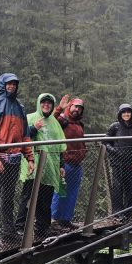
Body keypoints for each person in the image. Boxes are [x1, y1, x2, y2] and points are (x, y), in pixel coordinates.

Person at [0, 73, 34, 247]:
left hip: (15, 159)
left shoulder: (20, 107)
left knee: (9, 197)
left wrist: (30, 158)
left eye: (14, 84)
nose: (12, 87)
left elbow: (25, 135)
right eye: (9, 84)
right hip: (0, 159)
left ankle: (8, 233)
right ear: (3, 85)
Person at [15, 93, 66, 240]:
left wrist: (61, 165)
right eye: (43, 102)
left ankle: (43, 227)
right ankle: (20, 227)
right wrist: (34, 128)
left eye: (49, 103)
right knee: (28, 196)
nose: (46, 105)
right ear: (39, 103)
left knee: (46, 197)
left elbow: (59, 145)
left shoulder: (54, 122)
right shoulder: (30, 118)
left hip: (50, 165)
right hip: (33, 164)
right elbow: (21, 137)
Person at [50, 96, 87, 230]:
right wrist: (59, 108)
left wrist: (83, 152)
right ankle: (53, 220)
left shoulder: (79, 124)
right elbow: (50, 120)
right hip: (64, 163)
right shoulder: (62, 120)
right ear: (70, 107)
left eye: (80, 108)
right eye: (75, 106)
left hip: (76, 164)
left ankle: (66, 219)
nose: (77, 109)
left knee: (72, 193)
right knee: (60, 191)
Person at [106, 104, 132, 221]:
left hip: (131, 163)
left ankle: (129, 212)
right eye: (124, 112)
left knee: (130, 188)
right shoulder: (115, 127)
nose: (126, 114)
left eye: (128, 112)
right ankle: (118, 213)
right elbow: (106, 142)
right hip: (117, 163)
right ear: (120, 114)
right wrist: (115, 151)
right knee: (117, 188)